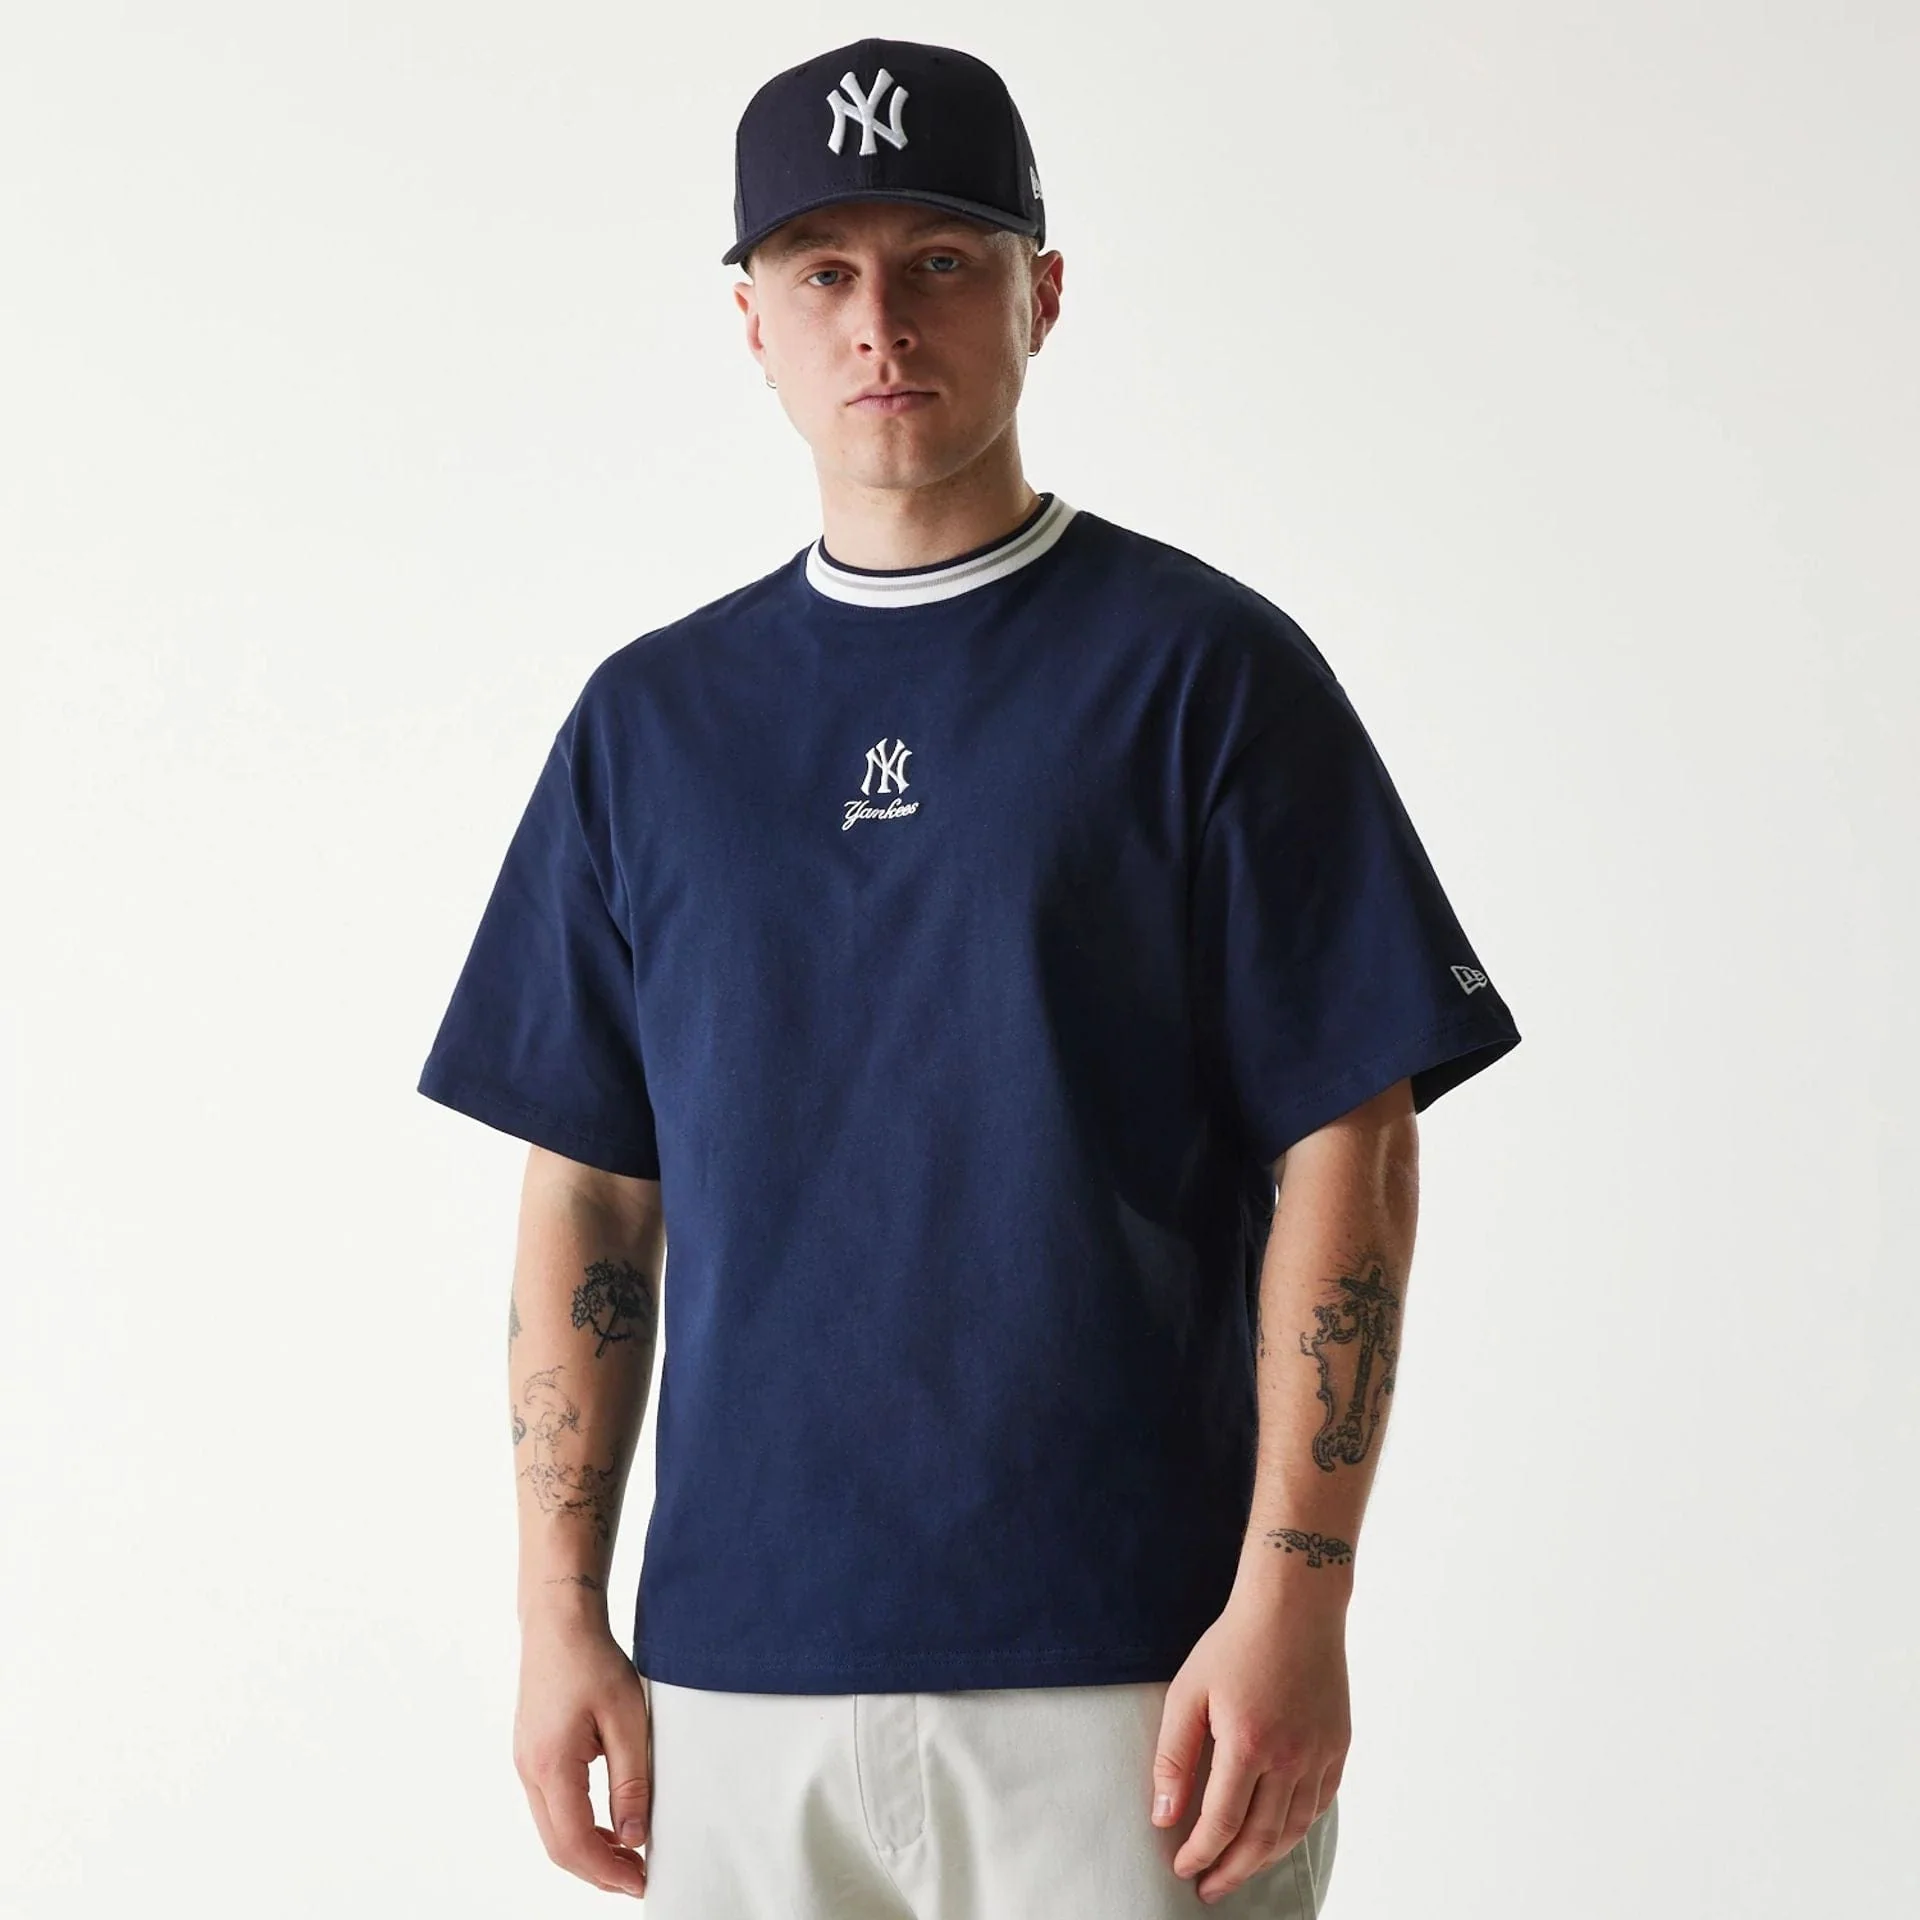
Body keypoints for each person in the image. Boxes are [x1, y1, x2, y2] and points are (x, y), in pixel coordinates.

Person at [416, 34, 1523, 1918]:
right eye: (821, 270)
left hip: (1138, 1675)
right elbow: (592, 1189)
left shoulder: (1206, 677)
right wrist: (556, 1617)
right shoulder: (650, 727)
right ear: (750, 320)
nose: (879, 321)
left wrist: (1296, 1597)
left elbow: (1352, 1143)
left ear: (1043, 293)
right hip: (733, 1675)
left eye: (940, 260)